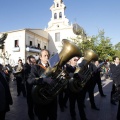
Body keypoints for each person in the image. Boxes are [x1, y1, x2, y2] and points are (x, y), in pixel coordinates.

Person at [27, 49, 57, 120]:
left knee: (53, 117)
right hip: (41, 100)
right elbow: (30, 80)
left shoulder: (53, 67)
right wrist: (44, 80)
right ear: (40, 57)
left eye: (48, 55)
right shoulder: (36, 67)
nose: (47, 57)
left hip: (52, 99)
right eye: (45, 55)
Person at [24, 55, 36, 120]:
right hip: (29, 86)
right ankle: (30, 114)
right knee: (30, 102)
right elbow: (28, 76)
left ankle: (35, 112)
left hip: (34, 86)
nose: (33, 61)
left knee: (35, 101)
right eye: (32, 60)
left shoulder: (33, 66)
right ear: (28, 60)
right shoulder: (26, 66)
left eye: (33, 60)